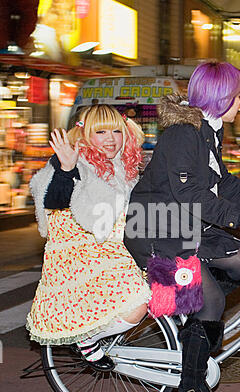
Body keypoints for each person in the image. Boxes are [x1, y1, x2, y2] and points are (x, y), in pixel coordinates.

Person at [123, 60, 240, 392]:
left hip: (182, 224)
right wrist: (238, 216)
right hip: (155, 228)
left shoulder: (208, 131)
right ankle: (192, 389)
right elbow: (191, 192)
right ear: (221, 97)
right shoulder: (183, 133)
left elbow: (221, 183)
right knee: (209, 302)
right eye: (237, 96)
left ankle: (190, 322)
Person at [26, 104, 151, 371]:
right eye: (101, 131)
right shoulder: (73, 158)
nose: (110, 139)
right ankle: (86, 340)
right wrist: (66, 169)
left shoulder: (123, 164)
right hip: (83, 255)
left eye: (117, 131)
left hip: (116, 247)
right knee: (138, 304)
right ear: (85, 135)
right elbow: (54, 203)